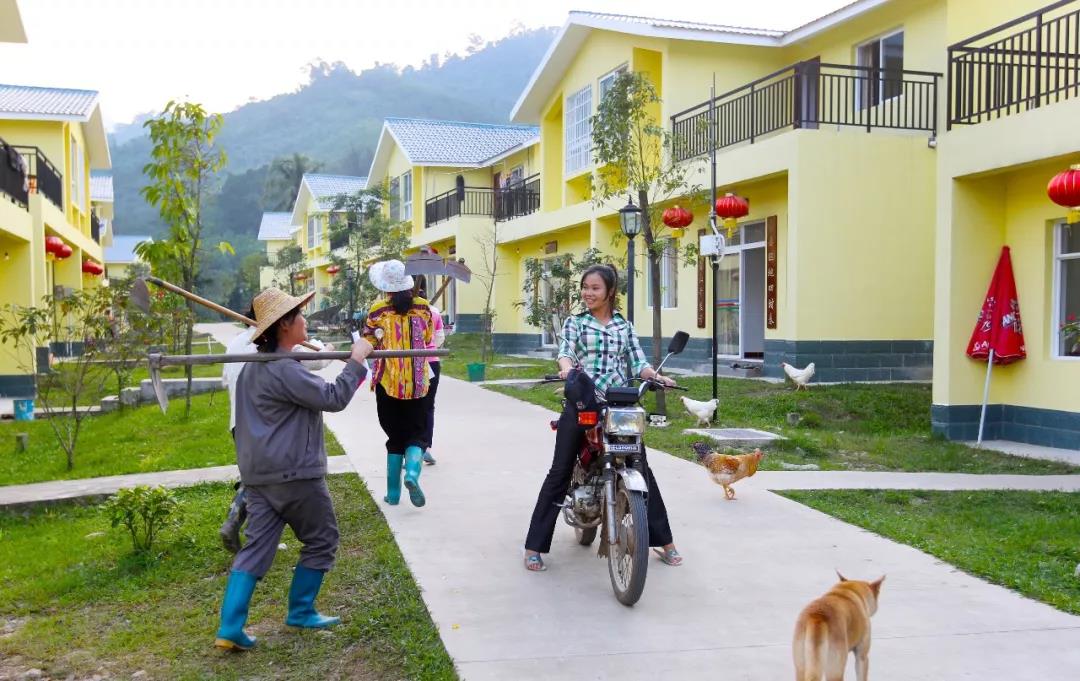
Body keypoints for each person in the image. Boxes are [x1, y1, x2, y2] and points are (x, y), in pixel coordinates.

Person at [214, 287, 373, 651]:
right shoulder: (284, 368)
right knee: (322, 539)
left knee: (256, 548)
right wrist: (357, 360)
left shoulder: (254, 367)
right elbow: (333, 397)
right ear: (284, 325)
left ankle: (230, 626)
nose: (305, 321)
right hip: (295, 474)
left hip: (258, 476)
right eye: (299, 315)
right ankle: (301, 611)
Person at [523, 264, 682, 572]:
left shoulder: (624, 326)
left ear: (610, 291)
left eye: (595, 288)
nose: (588, 293)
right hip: (583, 401)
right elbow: (565, 352)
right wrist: (567, 370)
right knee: (559, 471)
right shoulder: (576, 322)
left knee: (642, 468)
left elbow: (638, 361)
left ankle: (665, 543)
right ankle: (534, 546)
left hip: (618, 405)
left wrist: (655, 376)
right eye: (585, 287)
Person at [218, 311, 336, 554]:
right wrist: (329, 349)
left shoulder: (236, 344)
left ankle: (237, 519)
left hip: (240, 422)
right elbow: (316, 363)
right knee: (277, 482)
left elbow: (224, 380)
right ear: (280, 320)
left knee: (256, 479)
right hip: (271, 423)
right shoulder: (279, 349)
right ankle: (264, 532)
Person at [362, 259, 434, 507]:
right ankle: (412, 474)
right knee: (417, 433)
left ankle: (393, 494)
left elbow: (370, 338)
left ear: (385, 287)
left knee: (395, 436)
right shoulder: (423, 307)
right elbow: (428, 336)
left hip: (388, 383)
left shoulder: (377, 310)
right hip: (418, 383)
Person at [414, 276, 446, 465]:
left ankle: (411, 448)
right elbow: (439, 338)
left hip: (409, 363)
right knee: (428, 406)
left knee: (410, 405)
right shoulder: (432, 311)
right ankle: (425, 446)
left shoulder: (403, 312)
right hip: (432, 361)